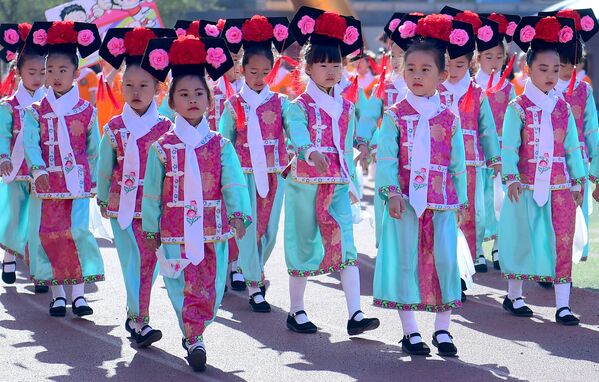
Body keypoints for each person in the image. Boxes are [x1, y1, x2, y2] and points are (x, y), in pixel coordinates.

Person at [141, 34, 252, 371]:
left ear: (210, 100)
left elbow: (232, 182)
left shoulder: (219, 145)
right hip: (174, 231)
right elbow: (151, 192)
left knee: (211, 288)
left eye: (198, 93)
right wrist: (150, 227)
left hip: (211, 230)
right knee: (179, 286)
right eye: (184, 95)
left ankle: (196, 330)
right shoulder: (161, 147)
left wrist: (237, 215)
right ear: (171, 102)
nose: (192, 100)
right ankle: (193, 337)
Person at [373, 13, 468, 357]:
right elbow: (386, 159)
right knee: (406, 262)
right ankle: (411, 331)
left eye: (425, 69)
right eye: (410, 68)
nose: (417, 75)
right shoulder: (396, 115)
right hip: (405, 204)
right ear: (401, 71)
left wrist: (462, 203)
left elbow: (458, 164)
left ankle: (443, 330)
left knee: (444, 260)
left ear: (442, 76)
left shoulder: (449, 117)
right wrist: (391, 192)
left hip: (442, 202)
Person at [283, 6, 380, 336]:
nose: (329, 69)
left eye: (335, 63)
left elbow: (351, 135)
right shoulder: (300, 106)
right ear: (307, 67)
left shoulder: (347, 105)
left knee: (347, 245)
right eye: (322, 63)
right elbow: (297, 133)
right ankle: (296, 310)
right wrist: (310, 151)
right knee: (304, 244)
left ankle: (355, 314)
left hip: (338, 183)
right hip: (305, 184)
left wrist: (363, 146)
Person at [500, 16, 585, 326]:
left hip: (561, 185)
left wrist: (578, 180)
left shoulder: (562, 107)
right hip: (525, 185)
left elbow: (572, 147)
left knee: (562, 239)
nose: (550, 75)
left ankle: (562, 305)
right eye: (543, 69)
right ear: (528, 69)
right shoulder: (517, 107)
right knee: (524, 239)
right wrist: (510, 177)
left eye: (556, 70)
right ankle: (515, 295)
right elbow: (509, 148)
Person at [96, 26, 176, 347]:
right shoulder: (114, 127)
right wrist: (102, 197)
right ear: (121, 86)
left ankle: (134, 314)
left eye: (144, 85)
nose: (135, 91)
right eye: (128, 84)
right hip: (120, 206)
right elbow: (105, 167)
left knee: (149, 263)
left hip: (153, 208)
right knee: (133, 260)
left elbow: (172, 169)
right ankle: (140, 320)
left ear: (158, 88)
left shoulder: (166, 127)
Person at [23, 21, 104, 317]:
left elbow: (94, 149)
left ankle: (80, 295)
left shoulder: (86, 110)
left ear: (75, 72)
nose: (56, 76)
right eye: (51, 70)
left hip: (78, 183)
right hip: (47, 185)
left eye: (62, 70)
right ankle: (58, 294)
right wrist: (38, 170)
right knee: (51, 235)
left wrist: (95, 179)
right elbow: (31, 144)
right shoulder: (36, 111)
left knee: (79, 233)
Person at [219, 15, 293, 312]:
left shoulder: (281, 102)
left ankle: (249, 269)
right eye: (253, 71)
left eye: (265, 71)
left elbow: (295, 129)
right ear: (242, 69)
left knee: (270, 230)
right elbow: (223, 143)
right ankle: (254, 284)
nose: (259, 77)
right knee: (247, 228)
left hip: (275, 174)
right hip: (242, 175)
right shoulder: (232, 104)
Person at [439, 7, 501, 276]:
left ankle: (472, 256)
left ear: (471, 62)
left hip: (472, 161)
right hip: (440, 161)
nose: (453, 70)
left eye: (460, 64)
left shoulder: (477, 93)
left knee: (472, 210)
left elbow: (486, 129)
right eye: (449, 64)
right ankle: (445, 259)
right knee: (444, 208)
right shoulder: (436, 89)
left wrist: (495, 159)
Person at [540, 8, 599, 264]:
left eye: (568, 64)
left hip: (577, 159)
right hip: (545, 158)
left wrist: (595, 169)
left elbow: (591, 129)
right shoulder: (542, 88)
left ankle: (572, 255)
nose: (563, 71)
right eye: (559, 65)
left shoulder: (583, 90)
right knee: (545, 208)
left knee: (576, 206)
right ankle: (547, 256)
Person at [0, 22, 47, 292]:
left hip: (40, 170)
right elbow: (3, 134)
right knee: (15, 215)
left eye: (42, 71)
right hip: (16, 169)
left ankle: (39, 269)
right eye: (31, 72)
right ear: (18, 72)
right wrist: (3, 156)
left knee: (38, 219)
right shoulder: (9, 106)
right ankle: (8, 256)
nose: (38, 77)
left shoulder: (49, 104)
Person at [355, 12, 408, 247]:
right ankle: (385, 246)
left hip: (417, 157)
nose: (396, 60)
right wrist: (363, 142)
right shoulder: (384, 85)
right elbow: (369, 116)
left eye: (402, 55)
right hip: (387, 153)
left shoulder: (426, 86)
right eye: (392, 54)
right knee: (385, 197)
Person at [474, 12, 520, 270]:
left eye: (499, 57)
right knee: (479, 204)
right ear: (478, 58)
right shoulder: (471, 87)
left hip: (503, 152)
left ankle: (499, 247)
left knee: (502, 203)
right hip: (478, 153)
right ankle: (478, 248)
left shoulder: (509, 88)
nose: (494, 62)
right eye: (488, 56)